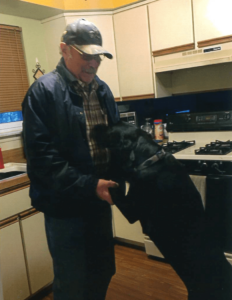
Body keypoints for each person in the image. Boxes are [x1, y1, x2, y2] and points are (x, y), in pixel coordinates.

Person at [22, 18, 120, 300]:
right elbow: (43, 161)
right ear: (64, 50)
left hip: (99, 202)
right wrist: (90, 185)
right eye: (86, 55)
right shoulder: (42, 93)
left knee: (102, 271)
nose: (93, 63)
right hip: (65, 209)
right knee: (72, 282)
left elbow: (114, 142)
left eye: (97, 57)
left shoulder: (102, 90)